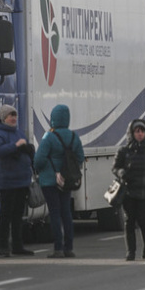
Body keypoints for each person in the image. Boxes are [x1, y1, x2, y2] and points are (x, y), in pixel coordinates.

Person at [33, 104, 84, 258]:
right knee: (66, 213)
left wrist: (45, 169)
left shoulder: (49, 136)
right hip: (67, 181)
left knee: (54, 214)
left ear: (53, 118)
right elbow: (80, 158)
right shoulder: (74, 137)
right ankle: (69, 248)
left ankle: (58, 249)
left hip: (50, 181)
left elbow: (39, 160)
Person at [113, 119, 145, 261]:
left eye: (142, 131)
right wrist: (121, 172)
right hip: (128, 192)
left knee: (142, 219)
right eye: (137, 131)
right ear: (131, 133)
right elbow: (115, 167)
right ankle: (131, 252)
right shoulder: (124, 151)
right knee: (129, 221)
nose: (140, 134)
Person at [0, 104, 35, 257]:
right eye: (11, 115)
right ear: (4, 118)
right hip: (8, 181)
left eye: (15, 115)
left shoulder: (18, 131)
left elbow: (25, 149)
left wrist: (28, 150)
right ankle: (3, 246)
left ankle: (17, 246)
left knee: (18, 215)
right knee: (6, 214)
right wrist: (15, 147)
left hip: (22, 180)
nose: (14, 118)